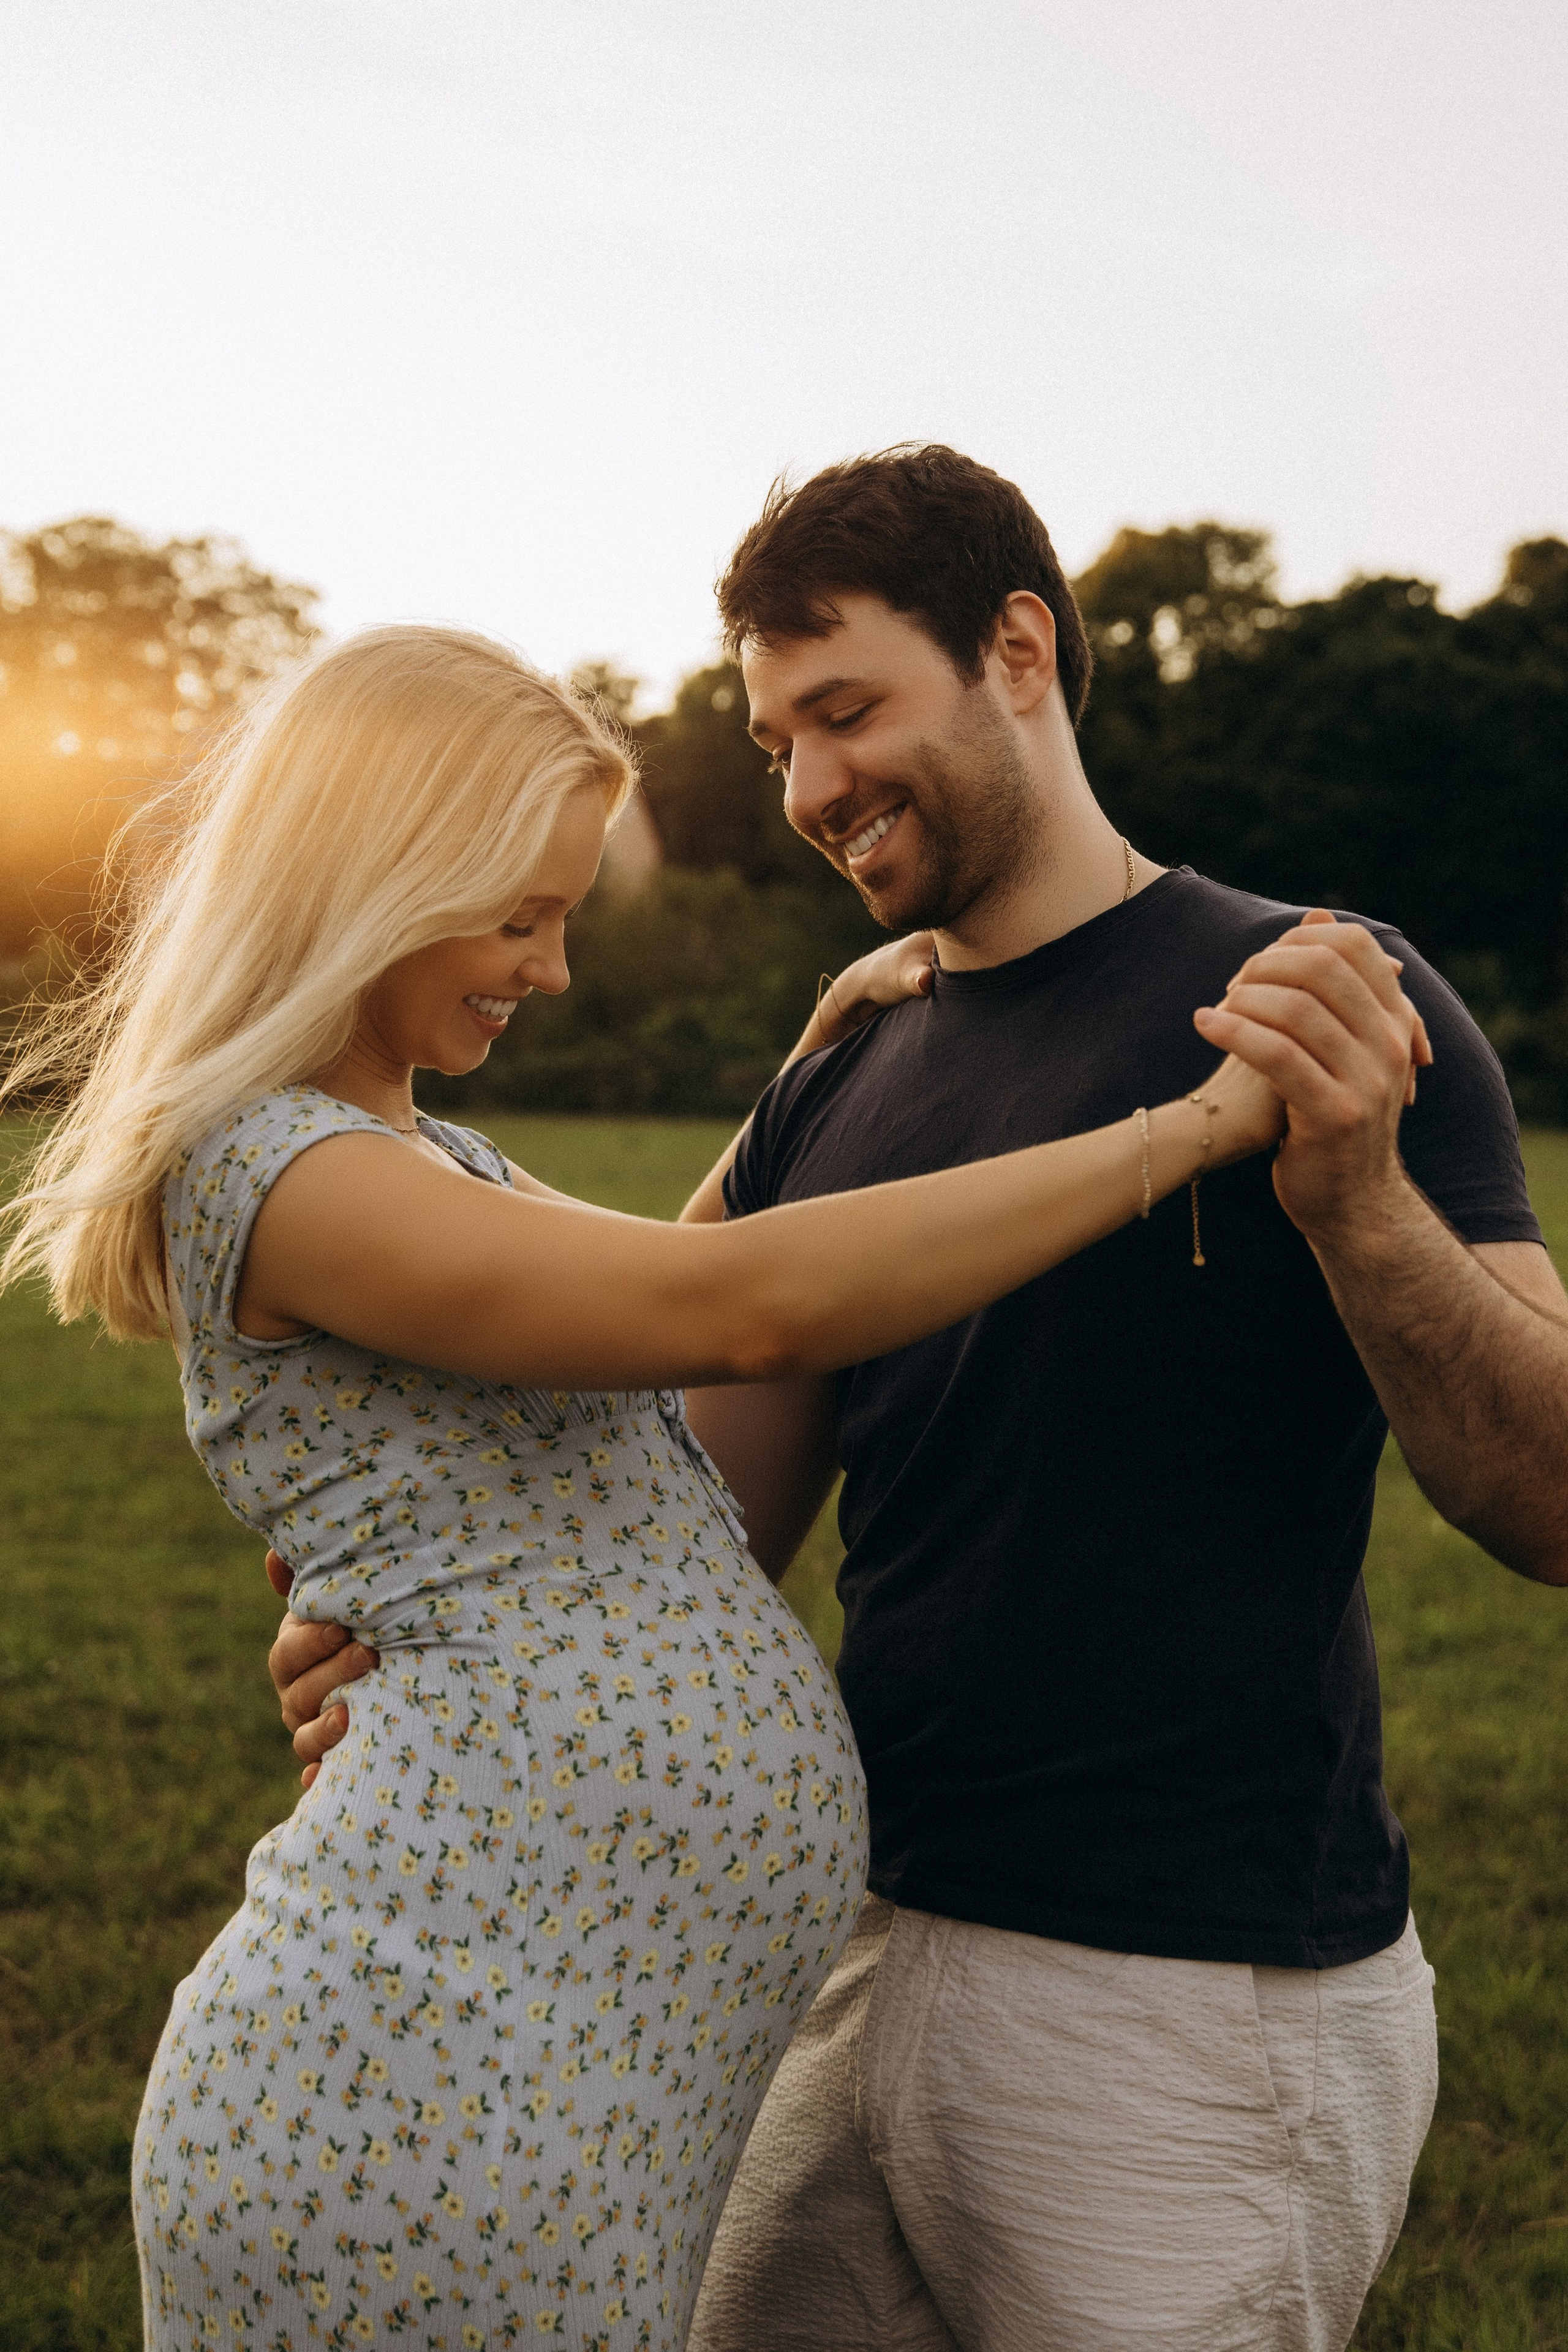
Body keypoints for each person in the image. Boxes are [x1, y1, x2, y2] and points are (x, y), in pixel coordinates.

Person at [278, 448, 1568, 2352]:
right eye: (778, 736)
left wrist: (1361, 1202)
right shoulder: (847, 1068)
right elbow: (693, 1524)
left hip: (1186, 2005)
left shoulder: (1315, 991)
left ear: (1020, 651)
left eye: (848, 710)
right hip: (843, 1955)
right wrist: (441, 1626)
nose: (806, 788)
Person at [1, 622, 1305, 2351]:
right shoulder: (279, 1166)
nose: (547, 970)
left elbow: (623, 1325)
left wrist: (801, 1074)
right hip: (416, 2091)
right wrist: (1183, 1136)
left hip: (541, 2084)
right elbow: (731, 1310)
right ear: (372, 881)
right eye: (519, 916)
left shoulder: (410, 1148)